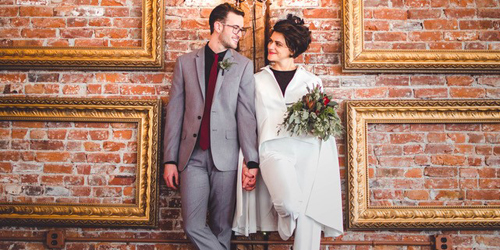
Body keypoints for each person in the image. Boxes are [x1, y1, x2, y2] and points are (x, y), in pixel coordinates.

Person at [233, 14, 343, 250]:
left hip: (308, 152)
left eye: (278, 44)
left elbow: (322, 121)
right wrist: (247, 160)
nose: (270, 47)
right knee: (291, 204)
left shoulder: (312, 81)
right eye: (271, 41)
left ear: (292, 49)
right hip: (272, 149)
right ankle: (286, 219)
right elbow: (247, 121)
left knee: (309, 214)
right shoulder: (256, 80)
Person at [163, 3, 259, 250]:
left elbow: (246, 116)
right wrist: (169, 160)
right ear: (218, 26)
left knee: (221, 228)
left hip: (226, 157)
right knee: (193, 225)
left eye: (242, 29)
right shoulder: (185, 63)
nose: (239, 33)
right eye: (235, 28)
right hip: (192, 157)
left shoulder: (244, 65)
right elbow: (174, 113)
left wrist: (252, 160)